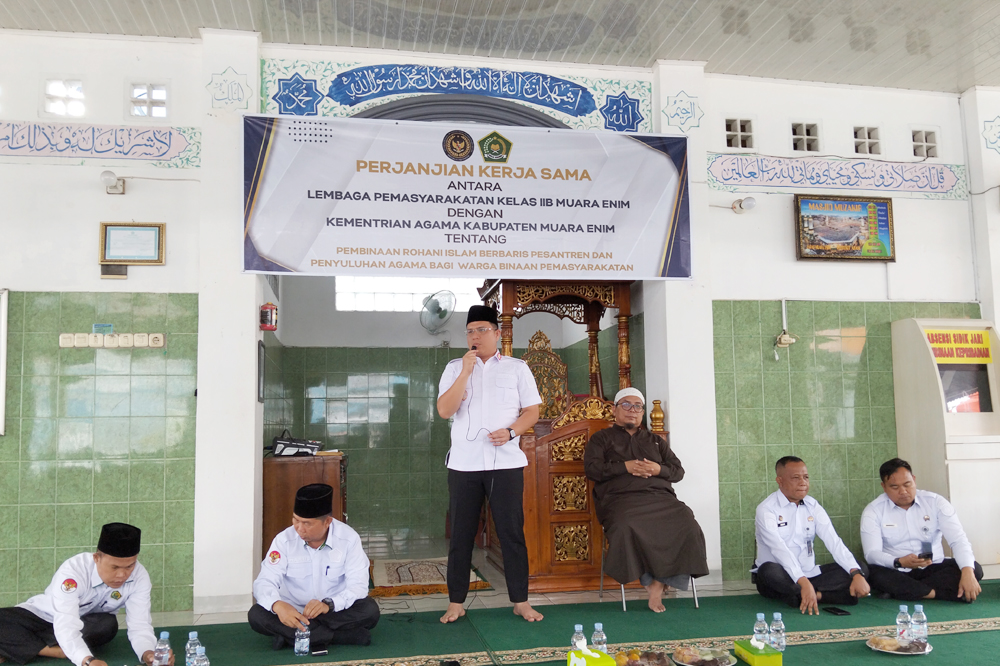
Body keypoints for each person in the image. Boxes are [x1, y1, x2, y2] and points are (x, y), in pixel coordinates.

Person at [437, 305, 543, 624]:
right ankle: (456, 602)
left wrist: (511, 432)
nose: (476, 336)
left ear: (497, 334)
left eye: (482, 330)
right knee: (461, 536)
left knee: (511, 533)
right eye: (470, 331)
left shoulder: (517, 368)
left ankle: (521, 601)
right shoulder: (454, 368)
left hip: (505, 463)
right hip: (464, 465)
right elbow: (444, 410)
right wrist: (465, 373)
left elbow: (532, 411)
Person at [584, 388, 709, 613]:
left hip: (660, 499)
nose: (632, 410)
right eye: (626, 405)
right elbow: (592, 470)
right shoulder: (601, 439)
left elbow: (678, 472)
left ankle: (657, 585)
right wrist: (625, 467)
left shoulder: (655, 441)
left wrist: (658, 469)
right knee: (626, 524)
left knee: (687, 523)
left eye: (638, 406)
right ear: (614, 410)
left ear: (642, 412)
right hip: (620, 501)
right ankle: (652, 583)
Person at [0, 522, 170, 666]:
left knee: (107, 625)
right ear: (96, 558)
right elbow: (66, 623)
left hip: (86, 624)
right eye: (115, 567)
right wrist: (87, 660)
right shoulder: (73, 572)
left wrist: (148, 653)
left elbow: (140, 624)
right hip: (43, 616)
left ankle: (18, 646)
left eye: (129, 566)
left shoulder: (139, 576)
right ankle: (54, 651)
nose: (122, 575)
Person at [249, 484, 380, 650]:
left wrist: (329, 604)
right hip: (293, 611)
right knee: (256, 615)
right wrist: (278, 606)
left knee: (369, 610)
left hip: (330, 612)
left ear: (327, 522)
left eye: (307, 523)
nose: (299, 528)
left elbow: (358, 585)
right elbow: (264, 581)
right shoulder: (283, 541)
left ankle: (292, 635)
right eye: (295, 520)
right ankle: (339, 636)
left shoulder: (348, 539)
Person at [753, 456, 870, 614]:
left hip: (810, 574)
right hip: (782, 575)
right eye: (796, 478)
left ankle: (807, 596)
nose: (803, 482)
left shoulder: (813, 505)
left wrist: (855, 573)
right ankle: (825, 595)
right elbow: (778, 549)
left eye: (806, 477)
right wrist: (802, 582)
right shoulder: (766, 509)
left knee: (861, 568)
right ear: (780, 481)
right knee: (768, 570)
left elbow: (833, 541)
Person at [861, 458, 983, 602]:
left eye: (907, 484)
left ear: (914, 480)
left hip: (933, 568)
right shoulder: (873, 510)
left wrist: (967, 572)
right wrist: (899, 562)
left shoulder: (935, 502)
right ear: (884, 486)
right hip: (896, 570)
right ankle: (940, 594)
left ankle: (903, 591)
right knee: (872, 573)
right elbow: (871, 554)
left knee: (974, 568)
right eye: (894, 487)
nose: (903, 491)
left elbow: (958, 540)